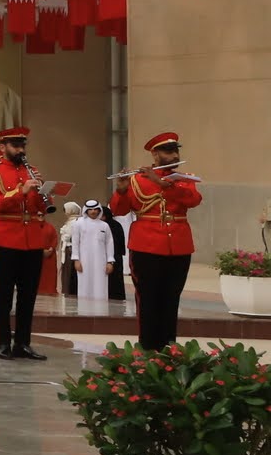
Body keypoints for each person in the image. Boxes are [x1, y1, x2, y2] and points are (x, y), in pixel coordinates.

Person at [0, 125, 52, 362]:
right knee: (3, 293)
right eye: (15, 145)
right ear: (3, 147)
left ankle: (23, 342)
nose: (20, 150)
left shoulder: (32, 170)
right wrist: (20, 191)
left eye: (22, 145)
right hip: (5, 237)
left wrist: (45, 193)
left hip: (31, 238)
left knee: (28, 295)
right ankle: (3, 341)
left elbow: (41, 206)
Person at [114, 132, 201, 347]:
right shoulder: (137, 180)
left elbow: (194, 200)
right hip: (147, 245)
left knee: (171, 298)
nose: (174, 156)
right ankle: (147, 346)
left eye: (175, 151)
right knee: (148, 298)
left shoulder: (184, 180)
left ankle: (168, 344)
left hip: (178, 245)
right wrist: (121, 190)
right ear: (155, 155)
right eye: (168, 152)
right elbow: (119, 210)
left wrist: (163, 183)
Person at [69, 200, 117, 307]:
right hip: (84, 261)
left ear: (99, 210)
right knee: (84, 285)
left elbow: (109, 244)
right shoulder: (78, 224)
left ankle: (101, 311)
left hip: (101, 262)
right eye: (90, 209)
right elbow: (75, 243)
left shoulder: (104, 225)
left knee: (100, 286)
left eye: (95, 209)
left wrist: (110, 262)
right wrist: (76, 260)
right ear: (86, 210)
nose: (93, 212)